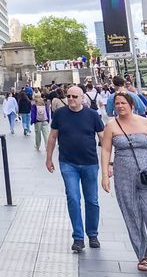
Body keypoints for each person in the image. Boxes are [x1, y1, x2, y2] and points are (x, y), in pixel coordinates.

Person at [101, 92, 147, 271]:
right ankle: (142, 255)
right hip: (124, 176)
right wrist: (105, 174)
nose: (120, 106)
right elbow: (105, 151)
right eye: (117, 103)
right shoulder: (111, 126)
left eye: (123, 103)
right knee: (133, 216)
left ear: (132, 105)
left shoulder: (145, 122)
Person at [46, 86, 104, 253]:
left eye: (75, 96)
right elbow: (52, 137)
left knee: (92, 200)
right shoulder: (60, 114)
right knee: (73, 197)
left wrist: (109, 161)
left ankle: (92, 234)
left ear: (82, 98)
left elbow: (103, 137)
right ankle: (78, 237)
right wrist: (48, 158)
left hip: (90, 163)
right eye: (69, 96)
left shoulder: (92, 115)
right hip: (68, 163)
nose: (71, 99)